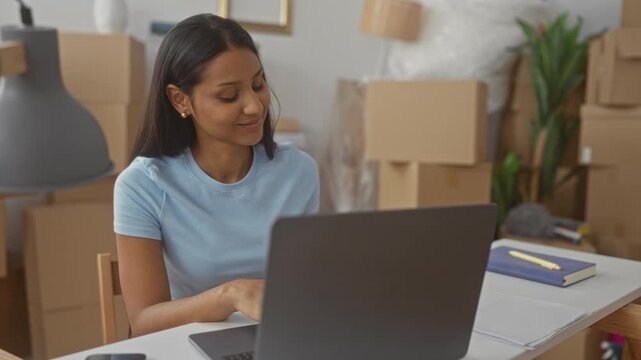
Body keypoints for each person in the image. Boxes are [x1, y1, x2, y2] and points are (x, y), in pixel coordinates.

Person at [113, 13, 319, 337]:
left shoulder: (300, 172)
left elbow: (306, 287)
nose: (254, 106)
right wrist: (231, 295)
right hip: (190, 345)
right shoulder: (143, 186)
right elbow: (144, 321)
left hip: (283, 340)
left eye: (258, 84)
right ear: (180, 99)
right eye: (229, 96)